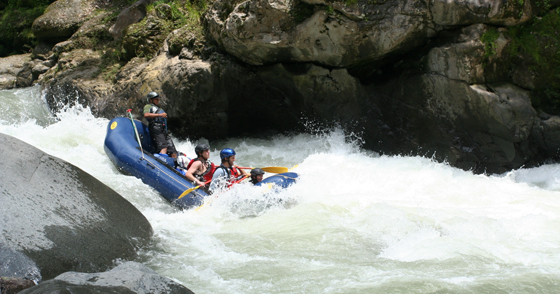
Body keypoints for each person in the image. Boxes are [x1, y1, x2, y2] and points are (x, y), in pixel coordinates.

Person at [143, 92, 177, 158]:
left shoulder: (159, 108)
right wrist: (160, 115)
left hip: (163, 129)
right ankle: (161, 159)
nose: (158, 100)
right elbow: (146, 115)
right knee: (164, 147)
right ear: (150, 100)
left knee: (173, 151)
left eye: (158, 99)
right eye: (156, 99)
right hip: (156, 128)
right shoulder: (148, 106)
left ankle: (174, 165)